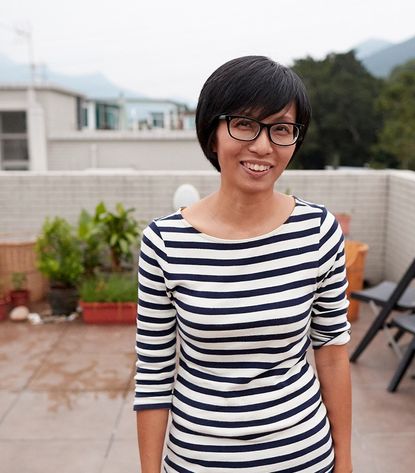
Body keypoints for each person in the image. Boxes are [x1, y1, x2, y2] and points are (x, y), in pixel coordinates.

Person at [134, 55, 352, 473]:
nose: (263, 146)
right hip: (198, 461)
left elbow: (331, 352)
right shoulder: (165, 242)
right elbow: (154, 371)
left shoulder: (319, 230)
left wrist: (344, 462)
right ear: (212, 134)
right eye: (245, 124)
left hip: (303, 458)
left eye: (281, 129)